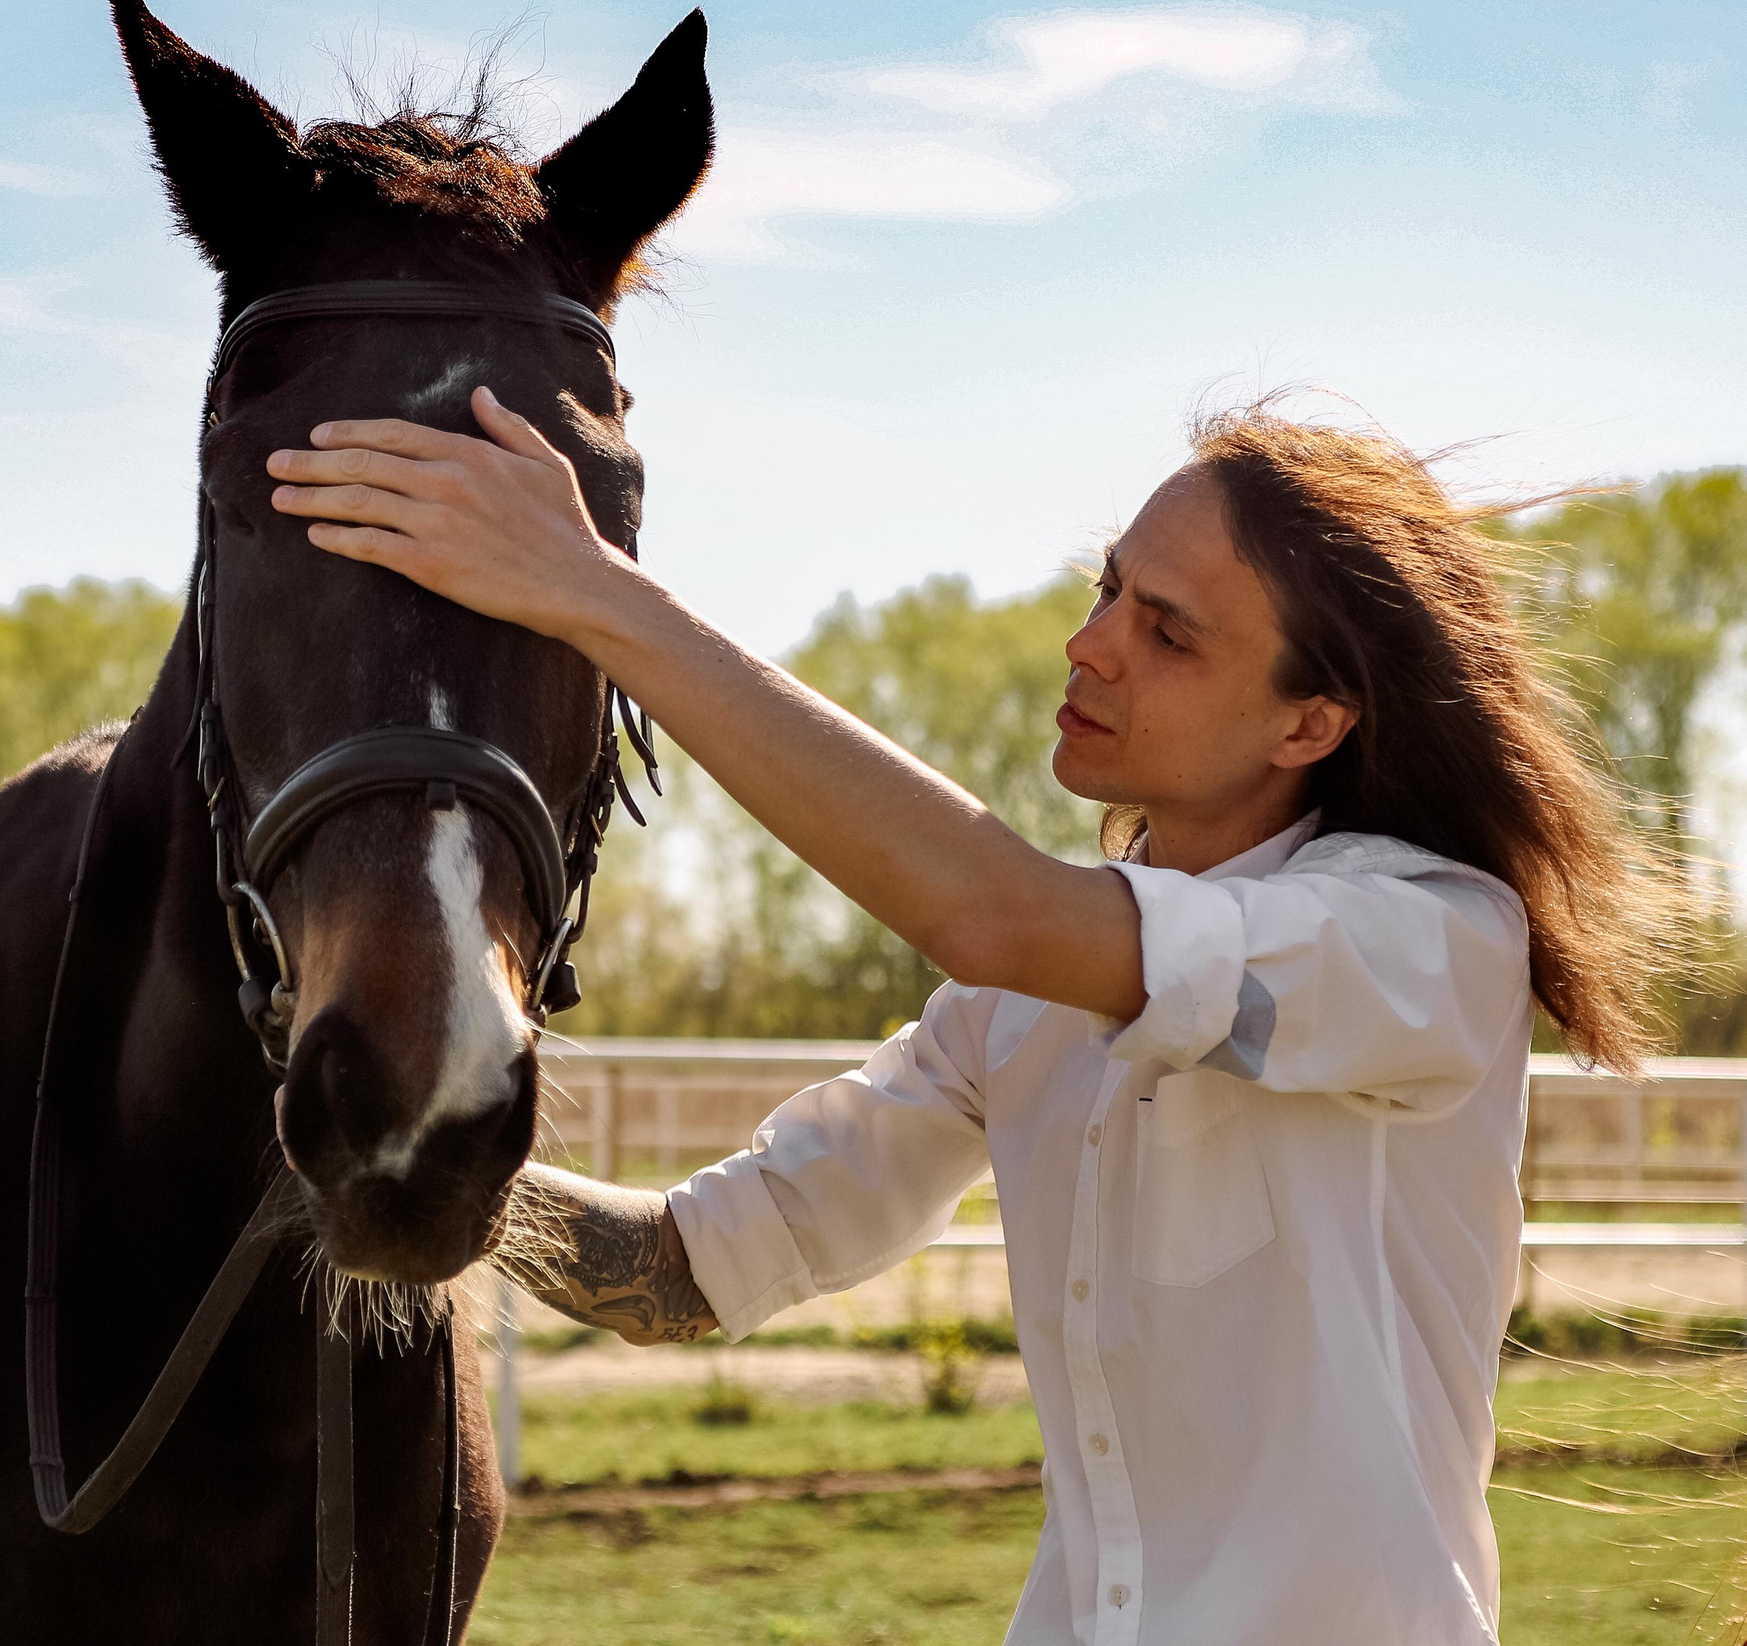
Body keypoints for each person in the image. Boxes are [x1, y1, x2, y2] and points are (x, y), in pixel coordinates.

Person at [265, 392, 1692, 1646]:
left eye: (1168, 631)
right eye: (1110, 588)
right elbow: (683, 1269)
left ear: (1309, 724)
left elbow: (992, 909)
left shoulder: (1424, 941)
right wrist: (393, 1150)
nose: (1093, 645)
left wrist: (593, 598)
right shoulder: (1024, 1006)